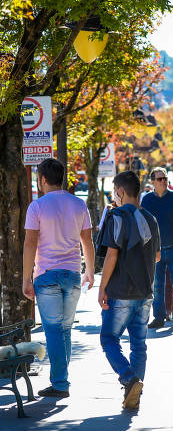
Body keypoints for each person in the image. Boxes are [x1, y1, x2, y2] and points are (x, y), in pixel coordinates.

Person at [22, 158, 95, 398]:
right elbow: (87, 241)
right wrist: (90, 271)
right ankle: (62, 379)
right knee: (64, 330)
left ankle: (61, 383)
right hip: (73, 274)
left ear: (42, 179)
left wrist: (26, 278)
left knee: (53, 330)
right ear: (62, 178)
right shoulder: (78, 204)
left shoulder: (37, 206)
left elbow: (30, 243)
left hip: (47, 275)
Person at [97, 170, 161, 410]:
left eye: (115, 191)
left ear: (121, 192)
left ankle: (129, 378)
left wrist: (102, 287)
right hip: (145, 291)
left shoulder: (117, 217)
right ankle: (135, 393)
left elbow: (112, 255)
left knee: (108, 338)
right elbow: (156, 256)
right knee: (139, 344)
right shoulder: (151, 219)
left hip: (120, 291)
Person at [141, 167, 173, 329]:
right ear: (153, 182)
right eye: (160, 179)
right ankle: (159, 317)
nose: (164, 181)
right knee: (157, 285)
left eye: (165, 178)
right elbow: (143, 224)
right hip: (155, 250)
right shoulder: (147, 200)